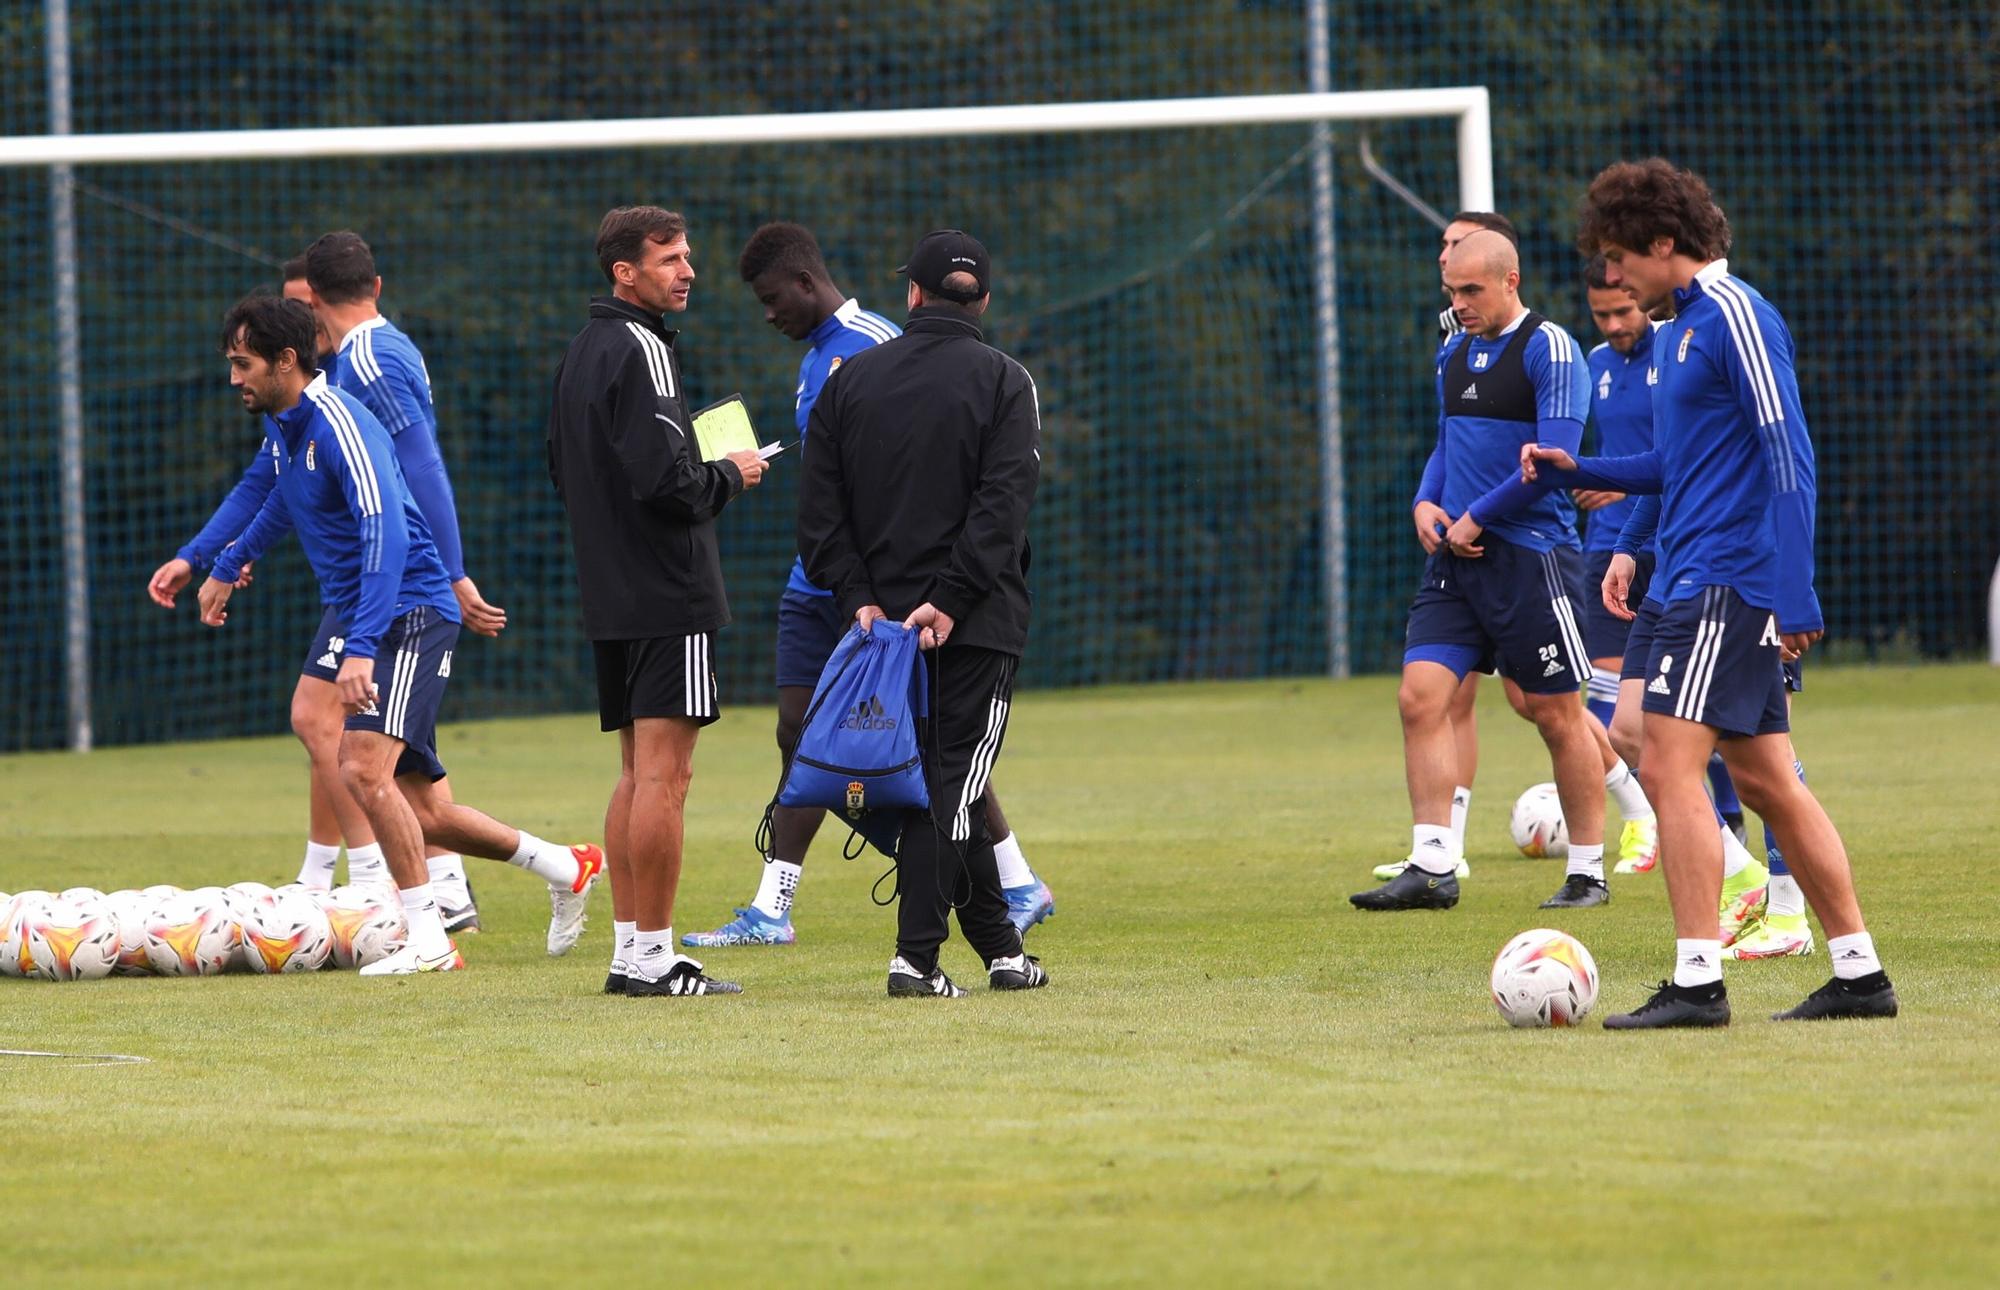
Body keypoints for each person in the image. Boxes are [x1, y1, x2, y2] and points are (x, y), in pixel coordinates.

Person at [1532, 157, 1894, 1025]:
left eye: (1621, 258)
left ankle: (1697, 981)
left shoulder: (1737, 315)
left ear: (1665, 243)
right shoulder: (1679, 330)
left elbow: (1789, 455)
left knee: (1666, 766)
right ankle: (1859, 973)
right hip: (1682, 576)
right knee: (1767, 781)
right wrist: (1578, 467)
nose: (1611, 276)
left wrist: (1796, 594)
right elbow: (1673, 464)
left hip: (1726, 580)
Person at [196, 294, 602, 975]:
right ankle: (566, 865)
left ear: (286, 361)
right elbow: (280, 499)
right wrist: (230, 560)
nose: (234, 378)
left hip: (409, 610)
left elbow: (383, 536)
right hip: (377, 616)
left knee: (360, 766)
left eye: (243, 364)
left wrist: (359, 648)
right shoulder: (286, 428)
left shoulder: (338, 423)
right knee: (425, 811)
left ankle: (430, 941)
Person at [682, 222, 1055, 950]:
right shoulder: (819, 358)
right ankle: (776, 903)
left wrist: (918, 586)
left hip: (888, 589)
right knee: (805, 733)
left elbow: (926, 473)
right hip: (824, 581)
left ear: (803, 282)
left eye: (769, 298)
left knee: (924, 747)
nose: (767, 314)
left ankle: (995, 880)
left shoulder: (876, 343)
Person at [797, 228, 1048, 998]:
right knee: (951, 786)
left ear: (912, 294)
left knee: (940, 786)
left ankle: (1004, 952)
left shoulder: (851, 381)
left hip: (880, 632)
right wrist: (952, 599)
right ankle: (915, 961)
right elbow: (1000, 510)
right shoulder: (1007, 381)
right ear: (984, 300)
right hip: (972, 626)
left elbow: (819, 517)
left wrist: (858, 599)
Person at [1378, 212, 1656, 881]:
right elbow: (1448, 440)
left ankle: (1586, 871)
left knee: (1556, 715)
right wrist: (1426, 500)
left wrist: (1477, 515)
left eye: (1471, 292)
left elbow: (1553, 461)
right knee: (1420, 696)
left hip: (1532, 558)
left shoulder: (1550, 350)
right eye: (1451, 292)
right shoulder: (1453, 347)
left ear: (1511, 281)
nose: (1458, 305)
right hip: (1458, 558)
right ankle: (1433, 862)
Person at [546, 205, 767, 997]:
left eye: (686, 256)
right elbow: (669, 483)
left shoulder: (580, 352)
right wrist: (728, 475)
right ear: (625, 273)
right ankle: (652, 957)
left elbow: (562, 470)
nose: (688, 271)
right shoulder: (642, 349)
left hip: (609, 591)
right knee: (666, 778)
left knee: (637, 773)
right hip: (669, 592)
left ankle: (627, 952)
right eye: (670, 258)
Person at [147, 255, 392, 897]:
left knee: (339, 731)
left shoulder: (351, 386)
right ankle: (325, 879)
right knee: (335, 734)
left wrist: (449, 572)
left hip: (388, 586)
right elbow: (272, 488)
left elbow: (398, 495)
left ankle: (388, 886)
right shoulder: (289, 414)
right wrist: (205, 556)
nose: (233, 377)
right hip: (350, 589)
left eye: (308, 306)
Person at [301, 230, 506, 930]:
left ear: (315, 301)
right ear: (378, 285)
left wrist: (453, 574)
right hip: (378, 578)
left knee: (356, 751)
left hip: (393, 578)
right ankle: (499, 881)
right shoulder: (384, 349)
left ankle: (398, 895)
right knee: (406, 774)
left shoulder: (369, 361)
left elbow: (422, 468)